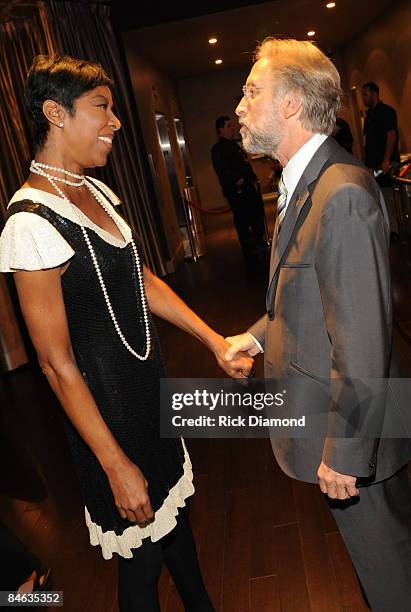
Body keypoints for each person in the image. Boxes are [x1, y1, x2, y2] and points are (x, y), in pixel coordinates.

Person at [0, 55, 253, 612]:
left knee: (177, 530)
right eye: (101, 108)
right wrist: (116, 466)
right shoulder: (29, 223)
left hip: (144, 395)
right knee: (142, 569)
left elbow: (142, 278)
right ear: (55, 114)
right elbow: (55, 365)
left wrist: (214, 339)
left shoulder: (99, 193)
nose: (115, 121)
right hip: (107, 422)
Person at [224, 38, 411, 610]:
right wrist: (255, 336)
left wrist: (348, 452)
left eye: (252, 90)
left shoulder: (341, 193)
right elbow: (305, 286)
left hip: (358, 433)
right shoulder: (305, 180)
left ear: (291, 104)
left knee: (392, 577)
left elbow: (363, 339)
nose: (239, 106)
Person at [211, 115, 266, 253]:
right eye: (229, 126)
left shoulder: (234, 145)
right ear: (221, 129)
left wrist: (251, 177)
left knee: (256, 214)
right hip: (237, 190)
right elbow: (222, 169)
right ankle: (248, 246)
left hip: (247, 187)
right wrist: (237, 180)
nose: (233, 128)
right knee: (242, 218)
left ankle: (258, 241)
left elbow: (243, 164)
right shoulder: (218, 149)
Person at [362, 81, 401, 236]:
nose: (363, 98)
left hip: (385, 164)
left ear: (374, 94)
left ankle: (395, 230)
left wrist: (386, 159)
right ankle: (387, 229)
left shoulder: (386, 111)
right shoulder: (369, 115)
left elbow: (391, 135)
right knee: (379, 196)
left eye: (365, 94)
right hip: (372, 165)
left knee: (388, 196)